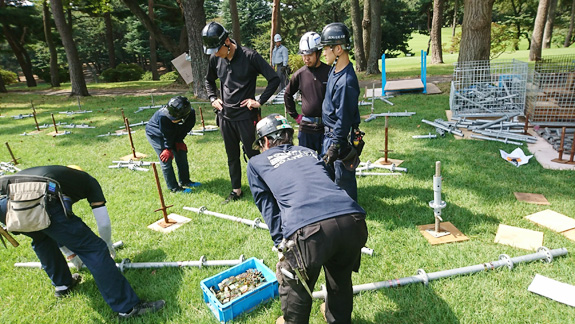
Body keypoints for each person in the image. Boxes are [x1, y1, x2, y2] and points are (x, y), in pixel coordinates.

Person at [247, 114, 368, 324]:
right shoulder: (308, 152)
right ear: (288, 136)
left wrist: (280, 243)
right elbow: (325, 183)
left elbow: (268, 207)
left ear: (265, 141)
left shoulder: (256, 163)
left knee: (295, 284)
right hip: (353, 221)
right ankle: (338, 318)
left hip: (310, 232)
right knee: (340, 276)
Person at [0, 165, 165, 318]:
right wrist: (106, 245)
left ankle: (63, 285)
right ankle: (128, 307)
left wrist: (70, 254)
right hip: (36, 199)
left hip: (5, 203)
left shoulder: (49, 174)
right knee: (93, 249)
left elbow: (53, 228)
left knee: (41, 238)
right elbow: (103, 222)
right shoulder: (88, 181)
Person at [202, 21, 280, 204]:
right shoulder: (216, 59)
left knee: (253, 154)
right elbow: (208, 81)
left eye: (217, 49)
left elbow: (274, 79)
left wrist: (259, 101)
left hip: (246, 118)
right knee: (232, 155)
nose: (214, 53)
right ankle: (236, 190)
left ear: (227, 42)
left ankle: (264, 188)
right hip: (225, 117)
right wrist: (213, 98)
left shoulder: (250, 56)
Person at [320, 22, 362, 202]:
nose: (323, 53)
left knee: (343, 182)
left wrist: (335, 146)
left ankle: (352, 217)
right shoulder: (334, 71)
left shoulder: (347, 81)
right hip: (328, 135)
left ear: (338, 49)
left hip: (338, 138)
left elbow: (343, 120)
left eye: (326, 48)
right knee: (331, 181)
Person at [284, 31, 331, 154]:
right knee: (307, 165)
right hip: (306, 129)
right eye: (303, 55)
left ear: (318, 53)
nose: (306, 58)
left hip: (326, 128)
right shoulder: (299, 74)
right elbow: (287, 94)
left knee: (326, 165)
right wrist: (295, 115)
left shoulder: (329, 72)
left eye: (309, 54)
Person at [145, 96, 200, 193]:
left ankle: (185, 181)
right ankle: (174, 188)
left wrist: (179, 141)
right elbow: (167, 134)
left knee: (181, 153)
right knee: (166, 159)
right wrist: (168, 149)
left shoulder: (191, 114)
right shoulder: (163, 116)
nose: (171, 118)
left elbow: (185, 129)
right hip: (156, 133)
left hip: (172, 133)